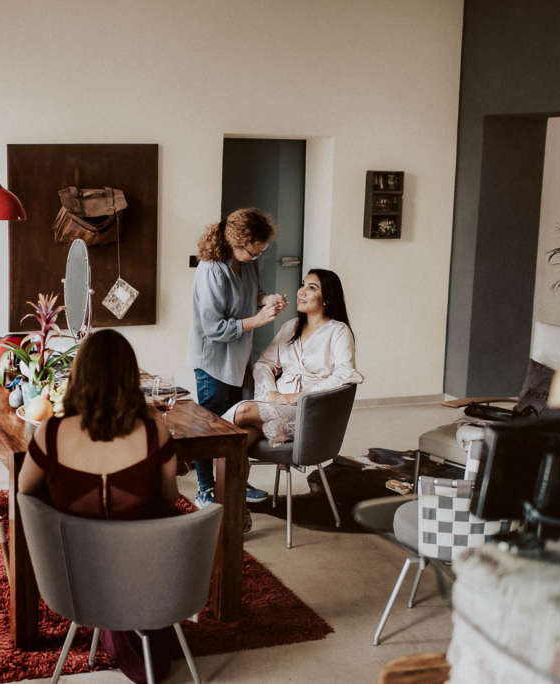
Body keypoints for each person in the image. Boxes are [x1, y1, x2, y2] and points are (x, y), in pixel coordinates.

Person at [18, 329, 178, 683]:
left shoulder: (52, 432)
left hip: (74, 578)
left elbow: (24, 491)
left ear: (79, 374)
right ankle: (133, 627)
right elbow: (169, 499)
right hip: (148, 576)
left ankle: (112, 625)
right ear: (129, 376)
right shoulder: (155, 433)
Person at [187, 208, 287, 512]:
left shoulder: (246, 263)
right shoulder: (211, 269)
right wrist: (257, 320)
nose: (257, 257)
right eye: (254, 252)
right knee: (210, 428)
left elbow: (250, 295)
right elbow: (213, 328)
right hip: (213, 360)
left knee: (235, 429)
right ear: (237, 243)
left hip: (239, 357)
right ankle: (206, 489)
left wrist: (266, 299)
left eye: (261, 253)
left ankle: (236, 482)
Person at [226, 269, 364, 448]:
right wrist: (271, 394)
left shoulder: (338, 331)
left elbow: (345, 374)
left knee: (243, 410)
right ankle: (214, 469)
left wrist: (296, 397)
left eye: (312, 288)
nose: (301, 292)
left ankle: (196, 448)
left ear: (327, 299)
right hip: (276, 405)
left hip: (309, 411)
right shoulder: (290, 326)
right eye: (302, 285)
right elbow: (264, 365)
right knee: (239, 442)